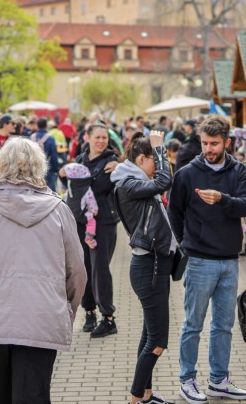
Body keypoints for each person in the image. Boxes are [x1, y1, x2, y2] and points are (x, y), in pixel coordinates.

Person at [0, 138, 86, 404]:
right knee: (34, 395)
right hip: (41, 316)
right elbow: (77, 270)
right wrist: (67, 308)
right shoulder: (58, 209)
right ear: (39, 166)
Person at [169, 116, 246, 403]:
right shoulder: (186, 174)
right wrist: (186, 244)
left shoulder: (239, 171)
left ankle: (218, 380)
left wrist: (222, 199)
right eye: (205, 143)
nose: (208, 149)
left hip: (229, 260)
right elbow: (174, 212)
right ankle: (187, 380)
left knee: (223, 325)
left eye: (214, 144)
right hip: (199, 260)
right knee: (193, 324)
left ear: (227, 142)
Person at [111, 131, 175, 404]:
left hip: (154, 266)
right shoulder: (128, 184)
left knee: (149, 334)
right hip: (148, 268)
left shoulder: (135, 182)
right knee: (158, 341)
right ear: (141, 159)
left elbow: (162, 181)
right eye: (154, 160)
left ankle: (146, 394)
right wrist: (160, 149)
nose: (157, 167)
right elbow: (165, 180)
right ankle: (136, 398)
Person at [60, 122, 120, 337]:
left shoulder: (112, 162)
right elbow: (70, 185)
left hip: (103, 222)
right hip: (80, 221)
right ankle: (89, 312)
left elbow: (100, 186)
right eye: (98, 137)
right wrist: (62, 173)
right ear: (88, 138)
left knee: (100, 269)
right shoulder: (79, 160)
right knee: (83, 268)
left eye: (105, 138)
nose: (101, 141)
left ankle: (108, 318)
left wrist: (120, 167)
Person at [31, 117, 60, 190]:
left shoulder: (32, 137)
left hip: (33, 170)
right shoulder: (50, 138)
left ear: (37, 126)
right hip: (48, 169)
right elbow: (53, 155)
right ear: (46, 126)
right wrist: (55, 169)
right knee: (50, 191)